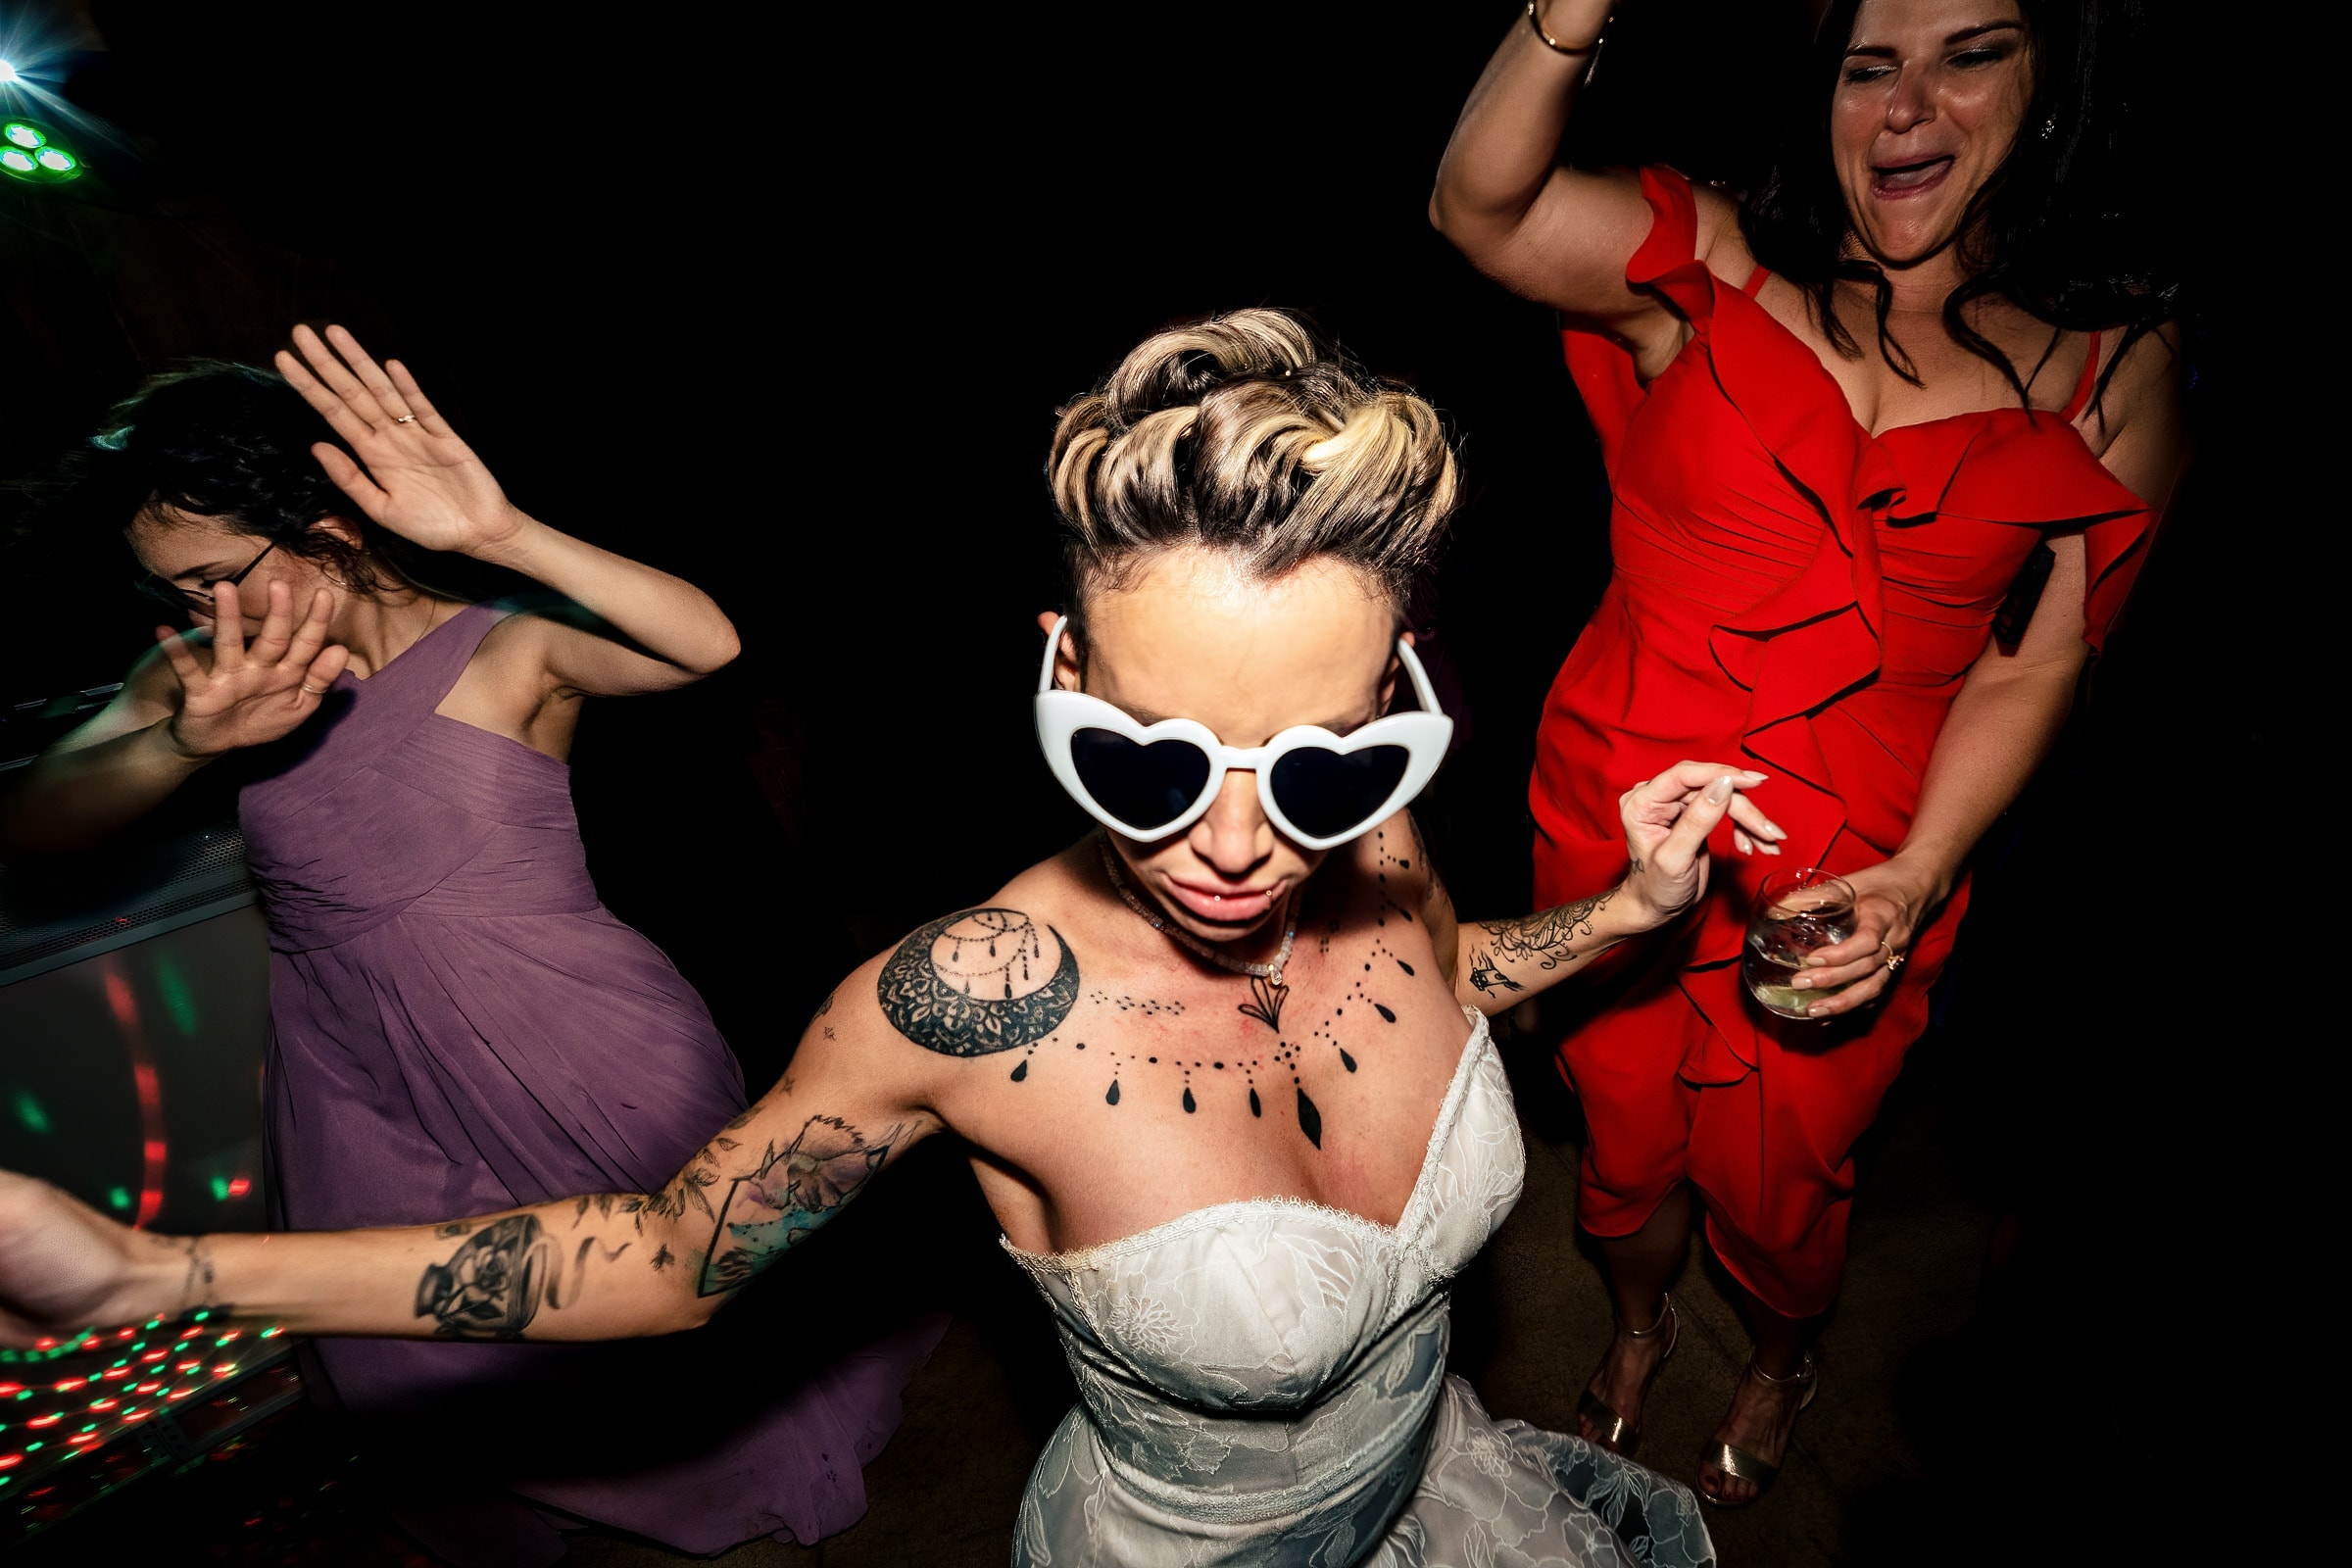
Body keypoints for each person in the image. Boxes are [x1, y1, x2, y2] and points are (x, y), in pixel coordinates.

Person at [0, 311, 1760, 1567]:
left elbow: (1437, 984)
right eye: (1146, 760)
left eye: (1322, 758)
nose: (1238, 843)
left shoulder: (1377, 828)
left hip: (1428, 1492)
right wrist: (167, 1276)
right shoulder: (970, 1004)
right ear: (1061, 677)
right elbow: (664, 1254)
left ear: (1398, 707)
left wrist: (1621, 913)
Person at [0, 328, 944, 1563]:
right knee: (405, 1330)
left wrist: (501, 533)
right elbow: (31, 823)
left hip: (554, 1028)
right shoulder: (207, 666)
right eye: (174, 590)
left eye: (219, 574)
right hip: (348, 1060)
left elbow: (702, 644)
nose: (201, 610)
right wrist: (180, 744)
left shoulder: (505, 640)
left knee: (658, 1291)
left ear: (327, 529)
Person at [1430, 0, 2185, 1506]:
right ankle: (1639, 1326)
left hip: (1867, 857)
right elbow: (1481, 204)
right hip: (1624, 802)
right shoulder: (1714, 266)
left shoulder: (2115, 363)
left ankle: (1780, 1357)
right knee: (1624, 1143)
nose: (1908, 105)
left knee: (1785, 1182)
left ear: (2043, 89)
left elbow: (2033, 662)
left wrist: (1915, 877)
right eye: (1867, 65)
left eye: (1968, 52)